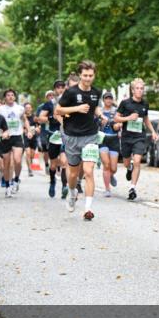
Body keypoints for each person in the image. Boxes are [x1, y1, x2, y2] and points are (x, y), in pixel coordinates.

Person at [55, 61, 102, 220]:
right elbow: (58, 110)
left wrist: (100, 114)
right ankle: (72, 192)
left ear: (94, 75)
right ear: (80, 75)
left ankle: (88, 208)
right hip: (72, 136)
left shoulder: (96, 92)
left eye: (90, 75)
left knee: (88, 171)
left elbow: (94, 107)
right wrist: (77, 108)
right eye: (85, 75)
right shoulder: (71, 92)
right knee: (73, 174)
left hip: (90, 135)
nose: (88, 78)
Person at [116, 78, 159, 201]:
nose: (140, 90)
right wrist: (128, 118)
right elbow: (116, 118)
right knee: (126, 162)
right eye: (137, 88)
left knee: (137, 161)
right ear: (132, 90)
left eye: (142, 88)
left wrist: (153, 131)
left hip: (139, 137)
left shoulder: (145, 104)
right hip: (126, 137)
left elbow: (145, 119)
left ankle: (132, 188)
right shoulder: (125, 103)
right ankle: (129, 168)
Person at [0, 89, 27, 198]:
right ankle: (8, 187)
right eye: (8, 95)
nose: (10, 97)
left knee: (17, 160)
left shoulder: (20, 108)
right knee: (6, 164)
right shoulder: (0, 109)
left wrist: (28, 130)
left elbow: (25, 120)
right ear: (5, 97)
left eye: (12, 95)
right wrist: (2, 132)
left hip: (17, 136)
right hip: (5, 137)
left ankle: (16, 179)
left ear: (15, 97)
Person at [38, 82, 67, 198]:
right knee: (53, 164)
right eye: (58, 88)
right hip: (53, 136)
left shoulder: (69, 102)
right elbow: (40, 117)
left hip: (66, 135)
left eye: (62, 87)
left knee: (64, 162)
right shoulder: (50, 104)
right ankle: (52, 182)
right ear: (55, 90)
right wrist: (50, 118)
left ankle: (64, 186)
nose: (60, 90)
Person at [98, 92, 120, 197]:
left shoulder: (116, 111)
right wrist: (99, 123)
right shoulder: (99, 111)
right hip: (103, 139)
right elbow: (94, 122)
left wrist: (118, 125)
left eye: (110, 98)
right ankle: (107, 189)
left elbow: (120, 122)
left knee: (113, 168)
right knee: (106, 165)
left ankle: (111, 175)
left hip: (114, 139)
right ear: (103, 100)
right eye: (106, 98)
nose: (108, 100)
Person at [23, 101, 38, 177]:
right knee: (28, 153)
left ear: (31, 108)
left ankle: (30, 164)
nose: (28, 109)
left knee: (32, 155)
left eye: (29, 107)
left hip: (34, 138)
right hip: (26, 137)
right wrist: (24, 130)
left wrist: (37, 129)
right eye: (26, 108)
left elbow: (38, 126)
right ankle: (30, 169)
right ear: (24, 109)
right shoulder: (23, 117)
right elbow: (20, 127)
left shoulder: (35, 117)